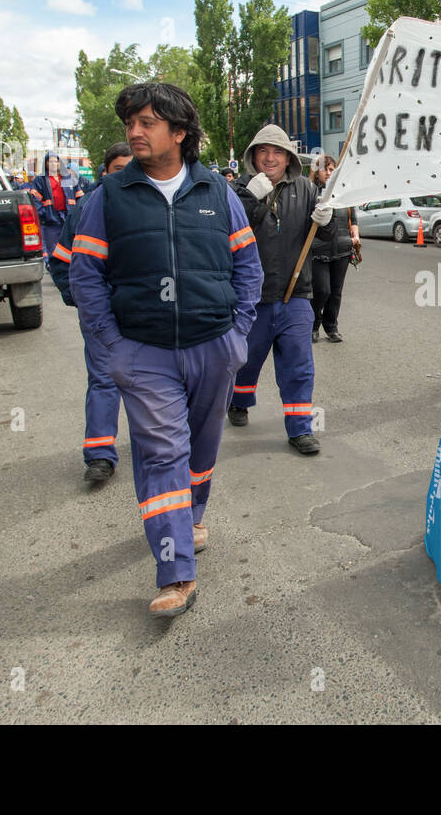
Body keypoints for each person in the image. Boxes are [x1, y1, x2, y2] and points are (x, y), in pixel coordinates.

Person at [70, 83, 261, 618]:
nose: (134, 131)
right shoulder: (108, 197)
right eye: (131, 121)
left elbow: (248, 267)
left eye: (148, 122)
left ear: (180, 133)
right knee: (161, 455)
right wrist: (113, 345)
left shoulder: (217, 192)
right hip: (144, 353)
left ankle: (193, 513)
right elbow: (84, 277)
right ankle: (175, 571)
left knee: (200, 452)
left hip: (214, 346)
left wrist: (238, 332)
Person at [229, 124, 333, 454]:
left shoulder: (305, 188)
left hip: (296, 295)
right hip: (251, 298)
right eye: (263, 151)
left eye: (277, 152)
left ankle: (300, 429)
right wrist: (252, 198)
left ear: (288, 157)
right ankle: (239, 400)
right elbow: (224, 230)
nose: (270, 158)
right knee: (246, 360)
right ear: (253, 156)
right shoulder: (238, 190)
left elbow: (324, 239)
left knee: (299, 366)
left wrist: (329, 221)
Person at [50, 142, 133, 483]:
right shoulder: (87, 207)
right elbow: (61, 262)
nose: (125, 176)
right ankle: (100, 455)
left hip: (144, 312)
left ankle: (160, 449)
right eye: (118, 170)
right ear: (104, 173)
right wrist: (83, 302)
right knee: (104, 379)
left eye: (132, 168)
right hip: (101, 315)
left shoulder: (153, 205)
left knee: (154, 382)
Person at [308, 155, 358, 343]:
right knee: (322, 290)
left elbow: (353, 217)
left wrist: (355, 236)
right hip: (318, 250)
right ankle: (313, 325)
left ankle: (331, 327)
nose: (329, 173)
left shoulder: (344, 193)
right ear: (317, 172)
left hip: (342, 249)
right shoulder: (311, 192)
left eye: (332, 169)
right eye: (325, 169)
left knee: (336, 291)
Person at [30, 152, 87, 263]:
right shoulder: (40, 180)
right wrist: (44, 214)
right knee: (54, 250)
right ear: (45, 163)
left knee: (71, 247)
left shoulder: (68, 177)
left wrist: (78, 213)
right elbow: (35, 199)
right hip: (51, 219)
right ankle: (56, 271)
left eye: (56, 161)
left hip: (68, 218)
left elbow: (80, 197)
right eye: (50, 161)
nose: (53, 164)